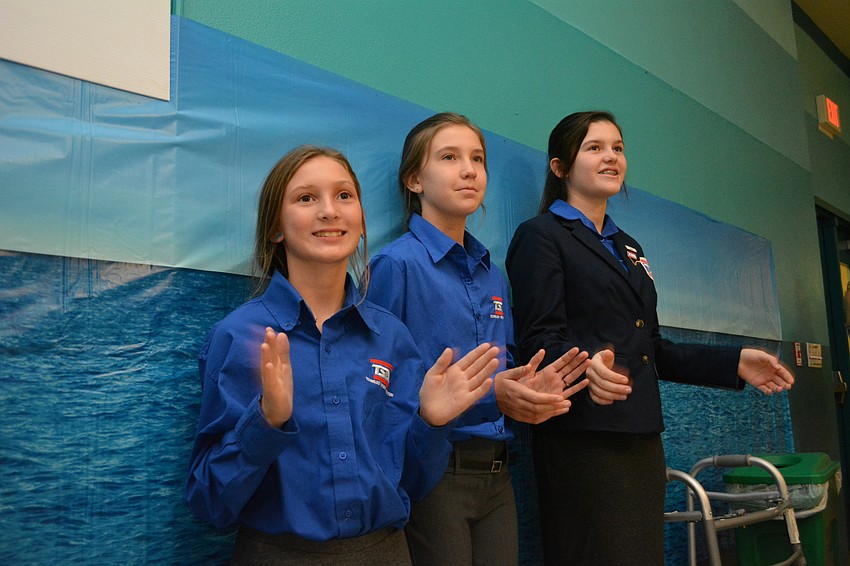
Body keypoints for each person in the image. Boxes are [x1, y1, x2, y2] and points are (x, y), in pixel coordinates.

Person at [185, 145, 516, 565]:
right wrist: (266, 422)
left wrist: (431, 423)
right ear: (275, 228)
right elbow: (210, 503)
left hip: (385, 553)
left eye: (344, 195)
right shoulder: (239, 336)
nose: (330, 211)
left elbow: (413, 482)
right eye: (306, 198)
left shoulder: (392, 338)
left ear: (360, 222)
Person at [506, 110, 796, 565]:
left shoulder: (629, 247)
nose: (611, 157)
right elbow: (539, 339)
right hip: (583, 437)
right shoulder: (541, 236)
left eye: (617, 148)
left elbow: (654, 347)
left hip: (641, 436)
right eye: (594, 148)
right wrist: (588, 366)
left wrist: (734, 361)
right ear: (560, 167)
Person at [367, 113, 591, 566]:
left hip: (497, 472)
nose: (469, 170)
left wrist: (530, 387)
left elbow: (506, 366)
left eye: (478, 159)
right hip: (434, 471)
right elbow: (376, 385)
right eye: (450, 158)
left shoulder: (493, 273)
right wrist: (494, 394)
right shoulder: (396, 265)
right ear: (414, 180)